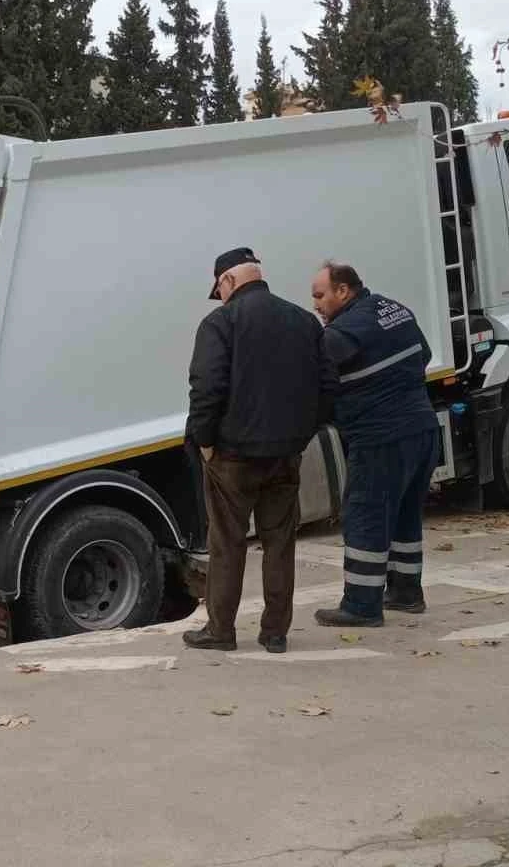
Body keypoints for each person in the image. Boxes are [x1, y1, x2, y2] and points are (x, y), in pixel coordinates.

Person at [184, 246, 327, 654]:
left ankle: (220, 631)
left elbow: (206, 389)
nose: (220, 297)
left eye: (219, 289)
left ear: (228, 280)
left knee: (227, 544)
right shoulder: (304, 321)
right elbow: (328, 388)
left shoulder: (220, 323)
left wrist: (206, 442)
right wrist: (300, 435)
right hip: (285, 455)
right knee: (279, 543)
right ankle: (275, 632)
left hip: (232, 457)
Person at [310, 261, 439, 627]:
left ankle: (362, 606)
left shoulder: (347, 328)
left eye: (320, 296)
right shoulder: (393, 309)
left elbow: (319, 360)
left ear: (343, 291)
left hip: (381, 437)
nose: (315, 305)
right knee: (404, 516)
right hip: (423, 429)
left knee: (365, 515)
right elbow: (424, 356)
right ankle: (406, 593)